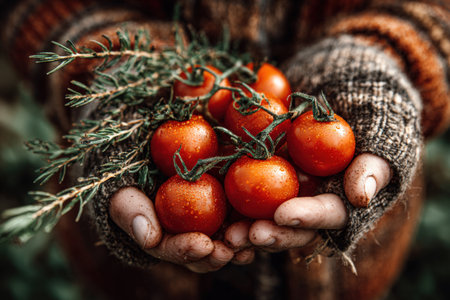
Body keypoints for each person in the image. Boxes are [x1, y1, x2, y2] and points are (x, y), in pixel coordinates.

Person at [1, 0, 449, 299]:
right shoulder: (214, 131)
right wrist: (108, 73)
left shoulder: (271, 124)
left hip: (349, 280)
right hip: (139, 284)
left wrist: (382, 59)